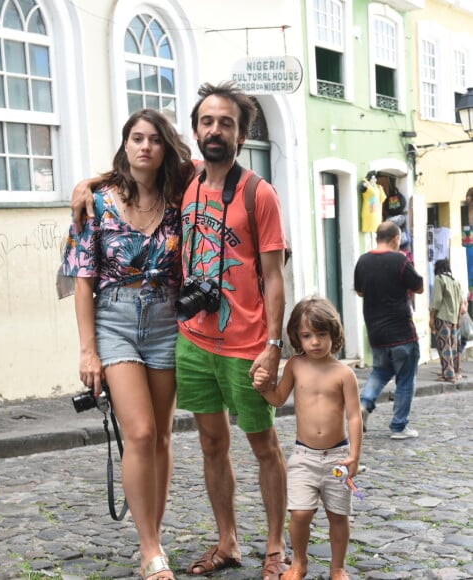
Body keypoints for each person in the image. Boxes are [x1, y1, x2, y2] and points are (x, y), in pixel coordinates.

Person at [61, 109, 194, 580]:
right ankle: (150, 547)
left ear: (165, 149)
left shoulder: (180, 197)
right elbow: (82, 278)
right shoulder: (96, 202)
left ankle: (153, 534)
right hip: (114, 318)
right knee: (137, 433)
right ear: (125, 144)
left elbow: (204, 164)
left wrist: (93, 174)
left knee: (161, 435)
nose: (145, 147)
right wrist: (87, 350)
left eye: (154, 140)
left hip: (166, 319)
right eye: (136, 139)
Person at [175, 82, 290, 579]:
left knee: (263, 445)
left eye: (226, 122)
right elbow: (128, 169)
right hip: (194, 340)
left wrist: (273, 346)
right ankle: (228, 542)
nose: (215, 130)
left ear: (241, 135)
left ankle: (275, 546)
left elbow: (274, 276)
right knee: (210, 444)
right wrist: (83, 186)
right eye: (207, 121)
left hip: (246, 345)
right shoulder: (187, 179)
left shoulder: (258, 193)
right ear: (196, 129)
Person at [253, 296, 362, 580]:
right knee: (300, 514)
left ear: (333, 334)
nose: (315, 341)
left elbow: (354, 416)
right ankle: (299, 562)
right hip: (304, 457)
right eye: (307, 335)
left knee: (338, 516)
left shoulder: (344, 373)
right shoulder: (295, 367)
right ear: (297, 338)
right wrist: (263, 387)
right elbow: (278, 399)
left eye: (321, 334)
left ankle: (337, 567)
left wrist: (355, 456)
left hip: (338, 457)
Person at [354, 221, 424, 439]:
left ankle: (364, 404)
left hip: (376, 332)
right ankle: (399, 427)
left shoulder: (363, 261)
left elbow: (360, 292)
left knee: (381, 371)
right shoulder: (400, 260)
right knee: (405, 379)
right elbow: (419, 286)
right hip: (402, 332)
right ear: (396, 238)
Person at [429, 259, 465, 383]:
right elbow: (461, 302)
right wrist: (459, 318)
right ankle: (455, 371)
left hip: (443, 317)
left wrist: (432, 317)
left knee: (444, 346)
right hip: (454, 319)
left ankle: (448, 375)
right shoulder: (455, 281)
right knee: (453, 346)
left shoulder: (440, 279)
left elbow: (437, 300)